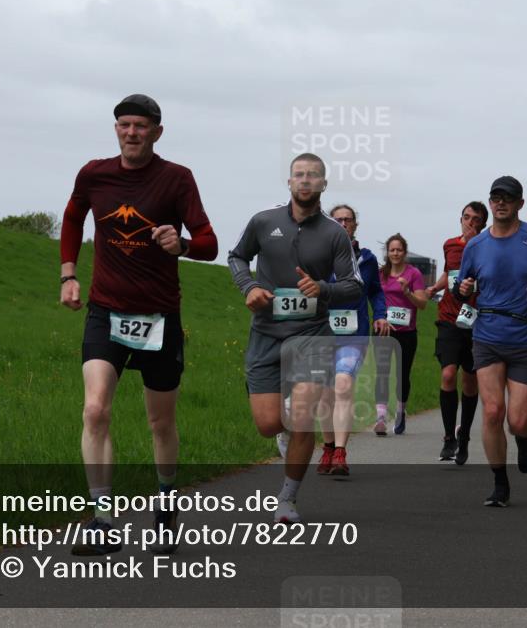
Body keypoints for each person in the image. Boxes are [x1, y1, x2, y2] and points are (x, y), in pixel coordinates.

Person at [60, 94, 218, 555]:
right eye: (125, 125)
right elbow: (72, 218)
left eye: (141, 126)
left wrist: (182, 243)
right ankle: (102, 519)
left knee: (160, 422)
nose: (132, 133)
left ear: (157, 132)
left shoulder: (177, 179)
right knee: (95, 410)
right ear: (116, 129)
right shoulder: (94, 174)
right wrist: (69, 273)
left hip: (158, 316)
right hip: (105, 310)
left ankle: (167, 504)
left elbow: (209, 242)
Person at [228, 153, 362, 523]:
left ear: (323, 184)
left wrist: (322, 288)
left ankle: (287, 498)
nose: (305, 181)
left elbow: (354, 286)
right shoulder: (263, 221)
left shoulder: (335, 233)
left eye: (313, 176)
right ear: (289, 182)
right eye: (299, 175)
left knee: (303, 414)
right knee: (269, 424)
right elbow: (237, 257)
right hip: (267, 333)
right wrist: (249, 286)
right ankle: (287, 434)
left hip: (312, 334)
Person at [454, 175, 527, 508]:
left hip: (526, 335)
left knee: (517, 420)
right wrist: (464, 288)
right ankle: (500, 483)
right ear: (490, 203)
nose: (500, 203)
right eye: (495, 197)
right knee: (491, 412)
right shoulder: (475, 245)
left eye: (507, 198)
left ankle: (525, 438)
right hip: (487, 333)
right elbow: (465, 282)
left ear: (520, 204)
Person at [316, 205, 389, 476]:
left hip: (354, 335)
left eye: (348, 220)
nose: (344, 223)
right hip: (322, 333)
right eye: (338, 220)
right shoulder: (318, 256)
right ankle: (327, 445)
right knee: (324, 395)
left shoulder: (367, 259)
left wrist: (380, 315)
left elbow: (376, 293)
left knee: (343, 384)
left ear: (355, 225)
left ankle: (340, 452)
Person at [424, 202, 487, 463]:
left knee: (470, 381)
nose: (469, 223)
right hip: (449, 318)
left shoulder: (488, 247)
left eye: (475, 220)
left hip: (476, 321)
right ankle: (449, 436)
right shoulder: (450, 244)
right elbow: (449, 273)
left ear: (483, 225)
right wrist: (433, 288)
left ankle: (465, 436)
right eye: (466, 218)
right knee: (448, 374)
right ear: (460, 219)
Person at [374, 234, 428, 439]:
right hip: (384, 330)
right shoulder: (380, 274)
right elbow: (373, 297)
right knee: (382, 372)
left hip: (407, 333)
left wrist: (407, 292)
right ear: (387, 253)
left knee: (402, 375)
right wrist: (378, 317)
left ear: (404, 252)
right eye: (392, 250)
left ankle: (400, 412)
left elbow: (422, 304)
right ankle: (380, 418)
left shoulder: (413, 274)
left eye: (399, 250)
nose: (395, 253)